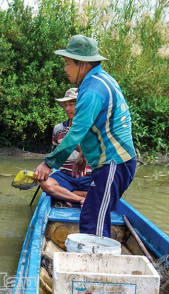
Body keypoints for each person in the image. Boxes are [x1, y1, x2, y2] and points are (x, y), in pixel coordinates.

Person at [33, 35, 137, 237]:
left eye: (67, 63)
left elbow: (76, 132)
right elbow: (98, 124)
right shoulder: (102, 80)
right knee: (92, 213)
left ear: (82, 64)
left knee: (93, 218)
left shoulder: (92, 90)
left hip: (114, 163)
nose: (65, 69)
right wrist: (84, 156)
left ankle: (94, 261)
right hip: (111, 162)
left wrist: (48, 164)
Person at [39, 87, 92, 207]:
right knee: (45, 184)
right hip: (66, 176)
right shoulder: (59, 129)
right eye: (66, 105)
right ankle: (79, 198)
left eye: (71, 104)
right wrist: (43, 172)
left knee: (106, 187)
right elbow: (54, 156)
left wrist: (73, 141)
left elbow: (93, 157)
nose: (67, 109)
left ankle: (68, 195)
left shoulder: (92, 128)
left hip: (88, 176)